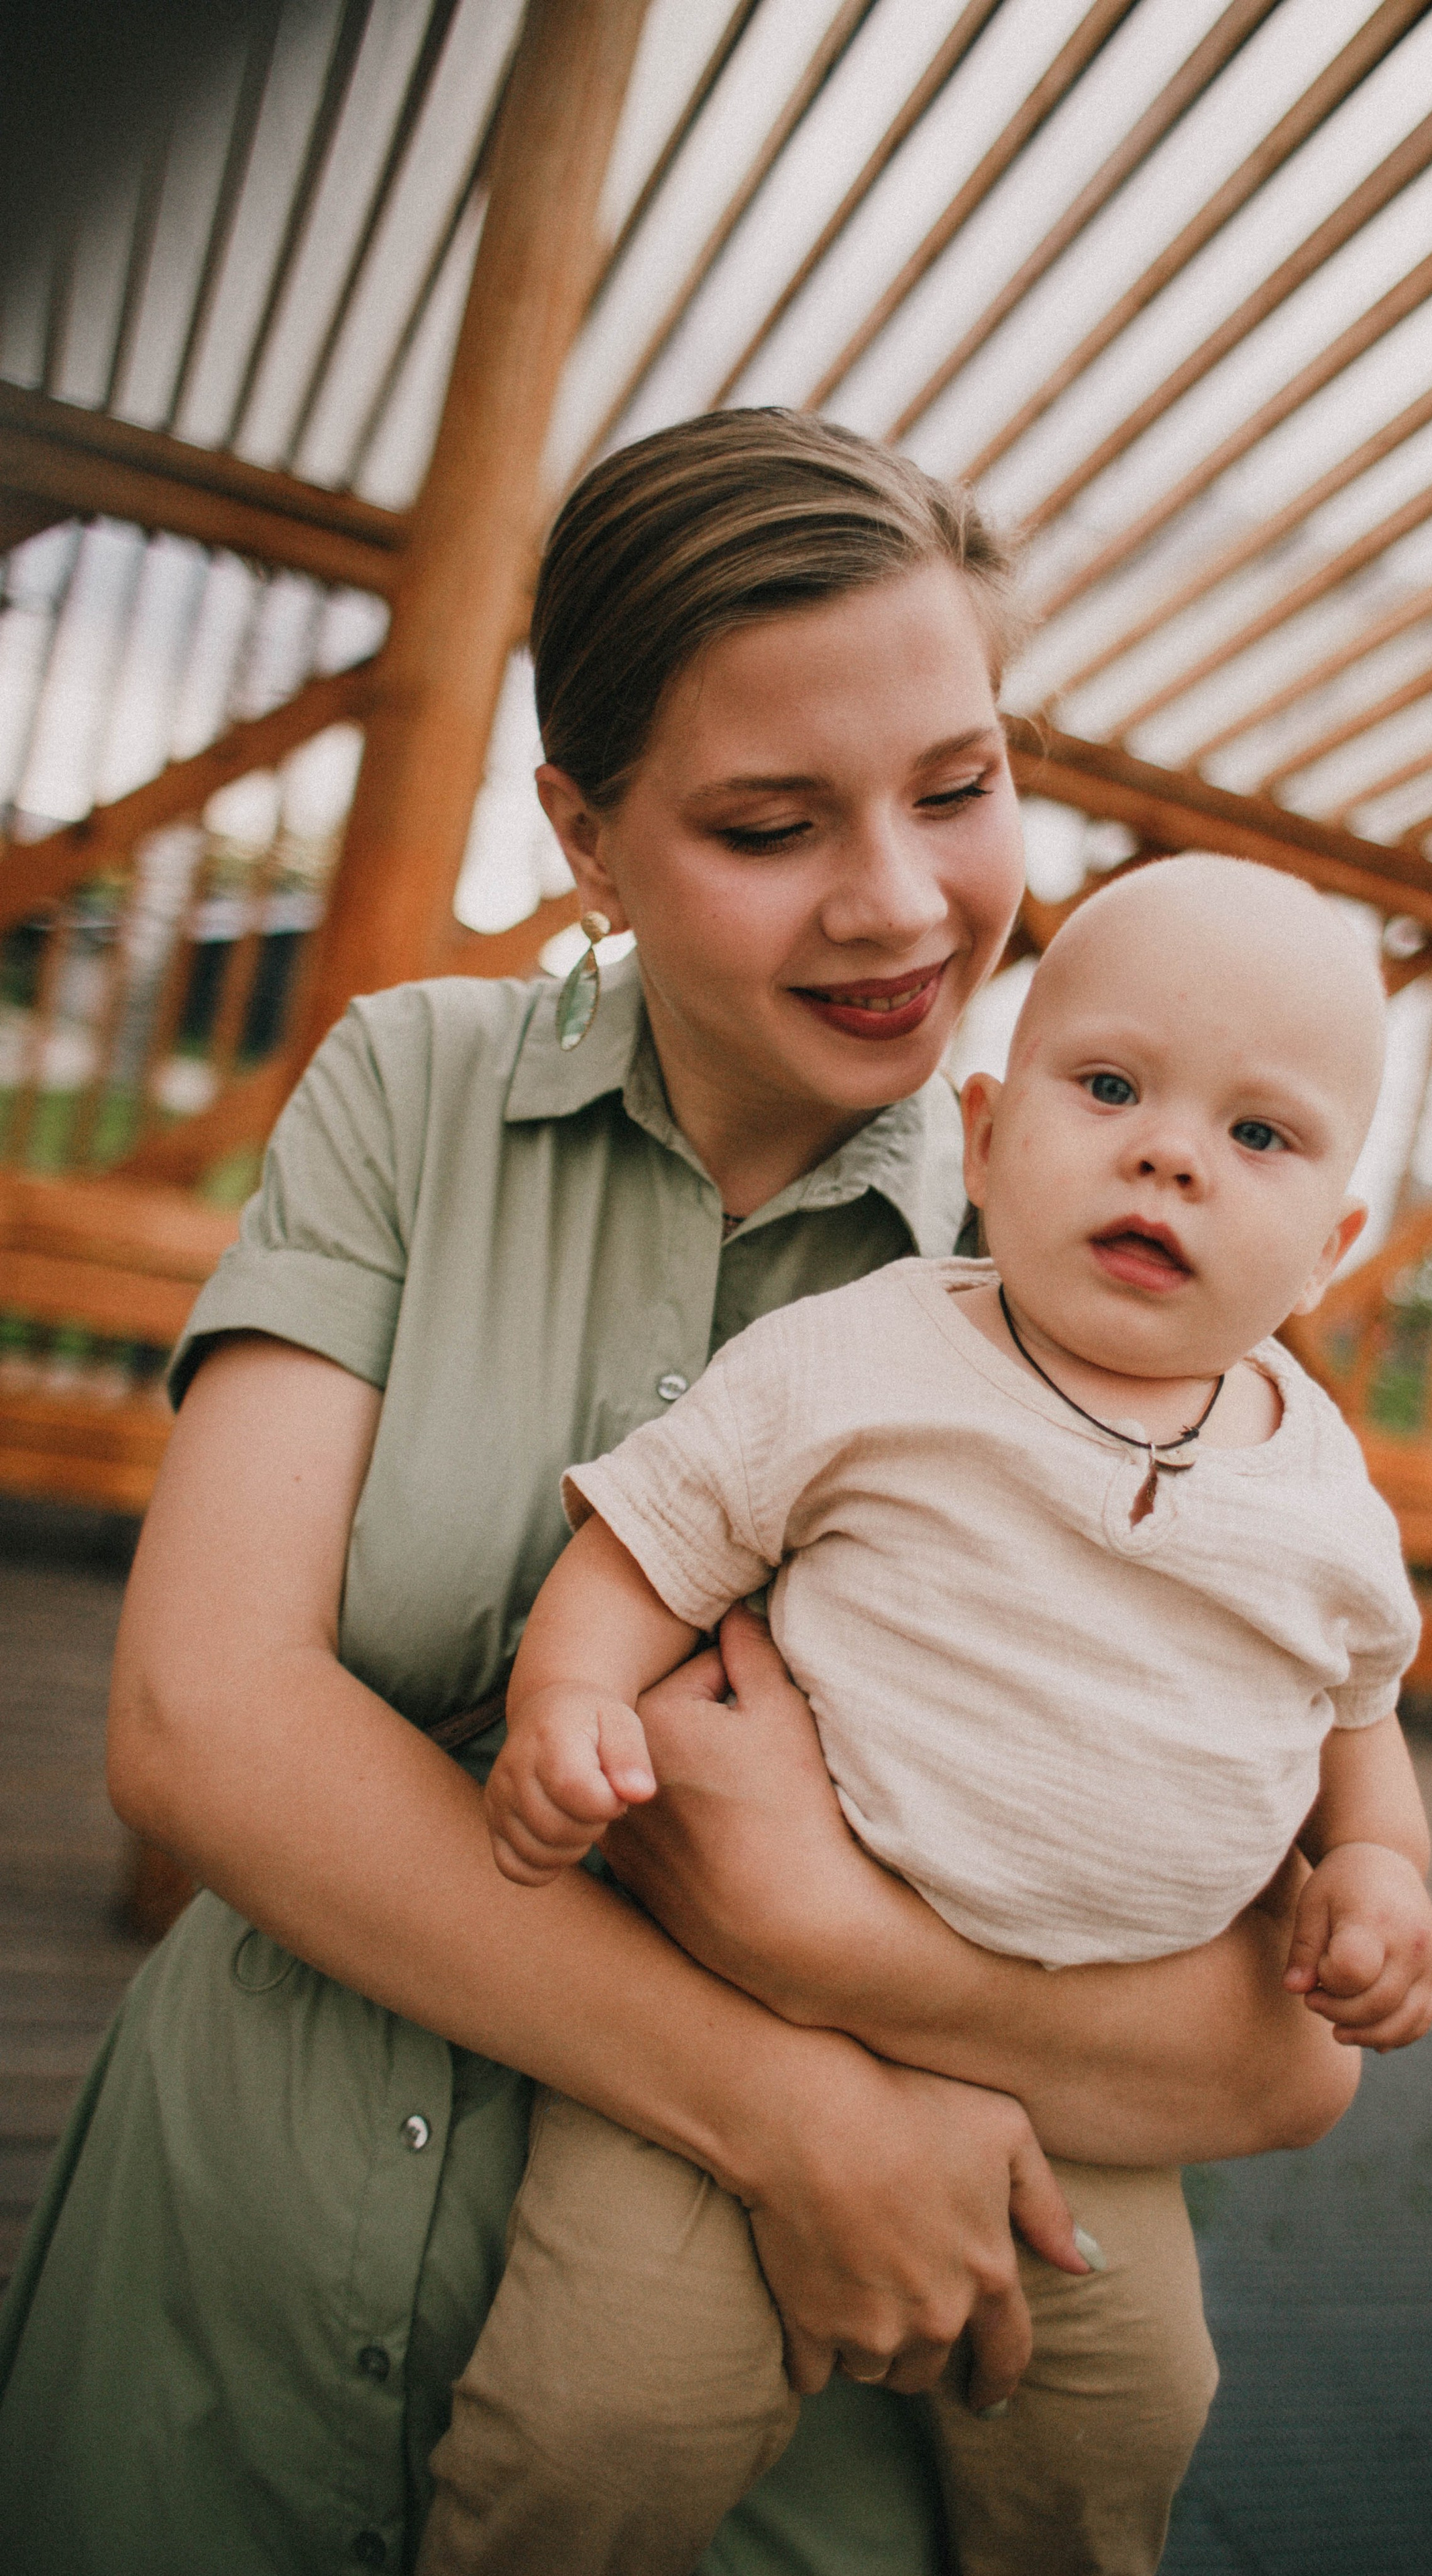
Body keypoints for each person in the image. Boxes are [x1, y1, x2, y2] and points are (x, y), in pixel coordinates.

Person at [0, 412, 1359, 2576]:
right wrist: (792, 2094)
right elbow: (195, 1728)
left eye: (961, 782)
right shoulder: (412, 1089)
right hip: (219, 2339)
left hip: (777, 2455)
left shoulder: (1120, 1280)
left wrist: (815, 1928)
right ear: (589, 833)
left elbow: (1273, 2066)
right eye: (763, 822)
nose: (903, 901)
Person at [421, 857, 1432, 2576]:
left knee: (1131, 2421)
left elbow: (1356, 1726)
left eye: (1257, 1139)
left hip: (1095, 2089)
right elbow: (649, 1542)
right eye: (1106, 1088)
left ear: (1331, 1246)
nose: (1168, 1155)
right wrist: (568, 1699)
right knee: (607, 2415)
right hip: (738, 2024)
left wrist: (1385, 1874)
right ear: (984, 1136)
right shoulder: (874, 1360)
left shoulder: (1321, 1490)